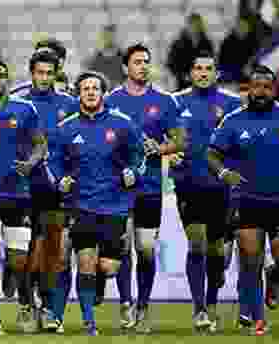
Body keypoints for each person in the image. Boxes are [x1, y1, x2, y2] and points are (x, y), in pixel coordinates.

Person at [208, 64, 279, 336]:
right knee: (251, 260)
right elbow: (212, 154)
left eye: (266, 86)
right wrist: (224, 173)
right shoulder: (233, 120)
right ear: (247, 89)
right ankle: (257, 319)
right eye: (255, 86)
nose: (260, 91)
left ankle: (275, 275)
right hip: (246, 200)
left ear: (273, 89)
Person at [103, 43, 187, 333]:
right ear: (125, 68)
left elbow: (180, 140)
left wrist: (162, 147)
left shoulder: (164, 101)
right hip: (119, 188)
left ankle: (144, 306)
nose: (142, 66)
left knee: (147, 248)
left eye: (146, 62)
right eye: (137, 62)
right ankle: (127, 304)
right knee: (124, 246)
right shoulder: (110, 99)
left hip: (151, 187)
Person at [58, 71, 144, 336]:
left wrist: (135, 172)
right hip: (81, 206)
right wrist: (61, 180)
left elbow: (140, 156)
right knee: (84, 262)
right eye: (85, 88)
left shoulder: (123, 124)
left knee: (107, 267)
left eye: (96, 88)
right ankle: (88, 322)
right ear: (79, 94)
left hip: (114, 206)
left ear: (104, 94)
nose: (91, 92)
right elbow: (54, 161)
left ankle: (99, 284)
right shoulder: (67, 128)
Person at [0, 57, 45, 335]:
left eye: (1, 75)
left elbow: (40, 145)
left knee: (17, 261)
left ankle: (26, 303)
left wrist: (31, 162)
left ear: (7, 81)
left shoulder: (25, 109)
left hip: (18, 192)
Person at [170, 51, 243, 332]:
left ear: (216, 73)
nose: (202, 73)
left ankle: (212, 300)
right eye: (198, 68)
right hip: (188, 184)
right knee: (197, 243)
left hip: (221, 189)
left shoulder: (233, 104)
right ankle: (200, 308)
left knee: (217, 253)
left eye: (208, 68)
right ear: (190, 73)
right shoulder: (175, 103)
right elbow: (161, 137)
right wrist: (169, 155)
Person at [19, 50, 77, 333]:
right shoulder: (19, 103)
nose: (43, 78)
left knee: (56, 252)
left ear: (56, 74)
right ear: (32, 73)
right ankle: (28, 304)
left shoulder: (70, 104)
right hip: (23, 189)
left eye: (49, 73)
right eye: (39, 73)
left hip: (58, 191)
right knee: (27, 253)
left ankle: (51, 310)